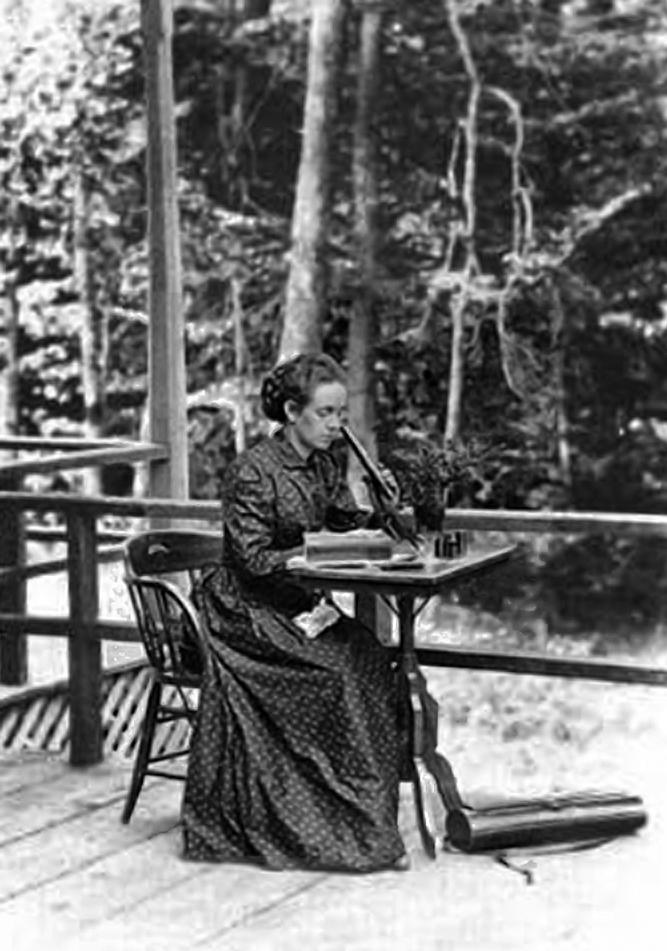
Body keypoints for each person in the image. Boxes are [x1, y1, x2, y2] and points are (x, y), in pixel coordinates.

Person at [182, 353, 408, 872]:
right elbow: (254, 560)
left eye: (340, 413)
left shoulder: (325, 463)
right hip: (245, 613)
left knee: (368, 656)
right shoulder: (253, 471)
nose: (337, 424)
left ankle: (364, 823)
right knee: (341, 671)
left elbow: (347, 521)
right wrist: (313, 552)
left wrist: (380, 505)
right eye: (326, 413)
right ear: (291, 410)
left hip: (295, 605)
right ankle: (328, 828)